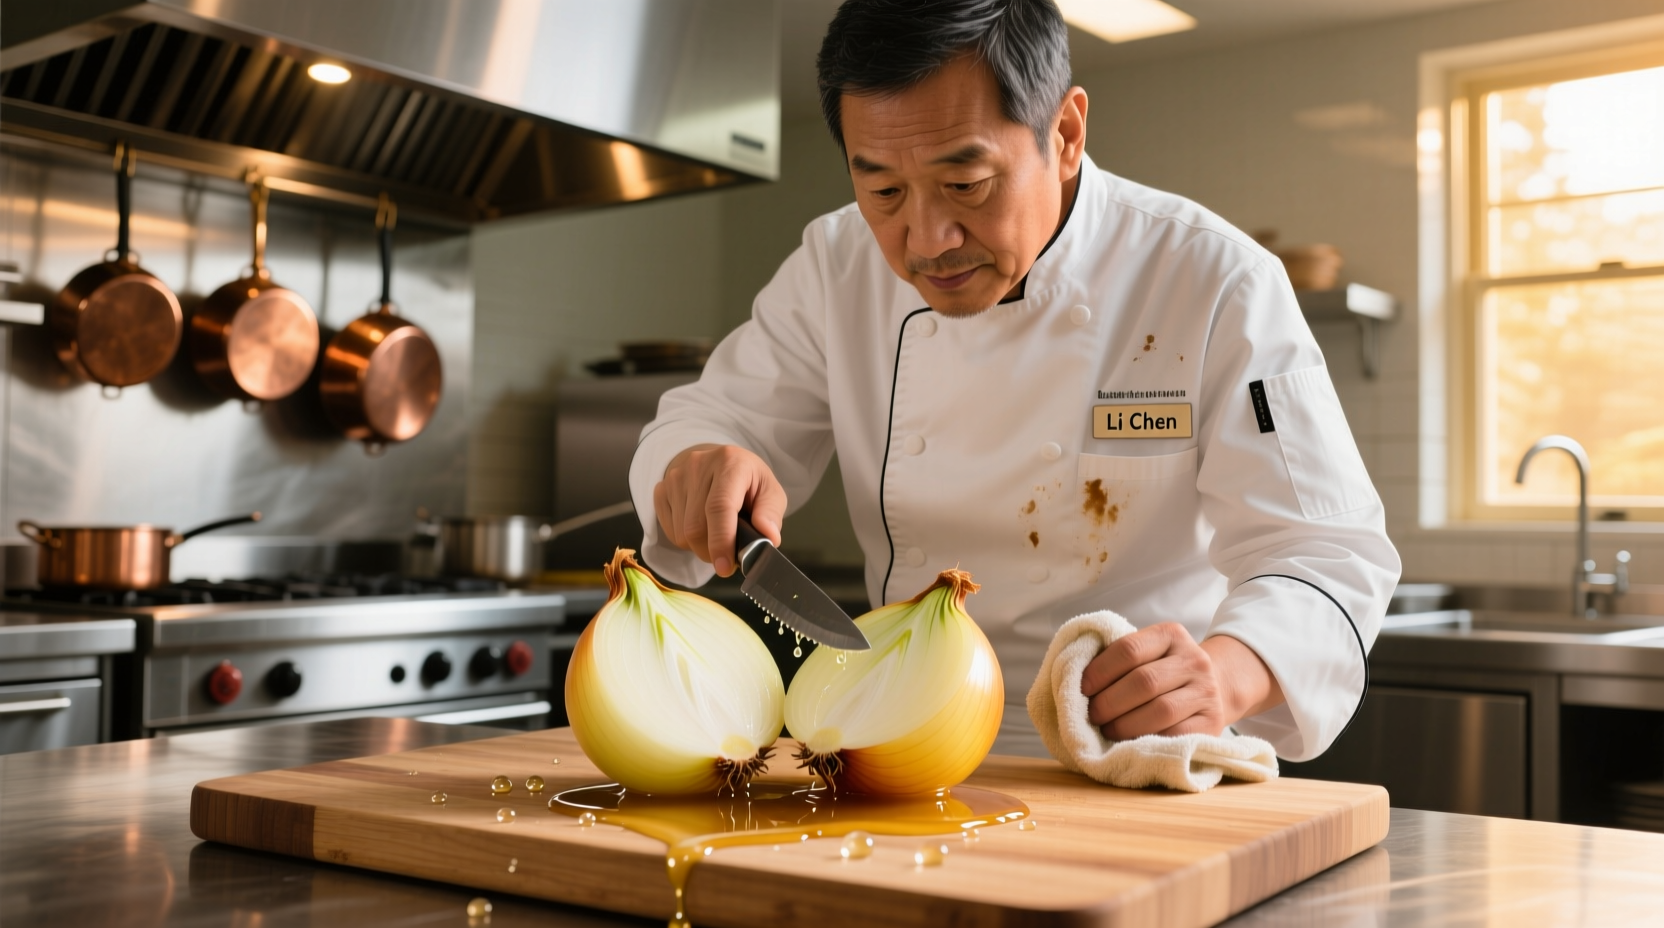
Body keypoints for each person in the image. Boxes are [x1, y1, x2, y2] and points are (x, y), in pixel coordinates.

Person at [629, 0, 1399, 761]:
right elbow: (717, 418)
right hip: (899, 748)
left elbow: (1325, 549)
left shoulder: (1212, 280)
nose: (927, 241)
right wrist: (699, 461)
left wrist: (1226, 676)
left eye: (966, 185)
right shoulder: (836, 265)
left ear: (1064, 135)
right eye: (884, 191)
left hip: (1133, 755)